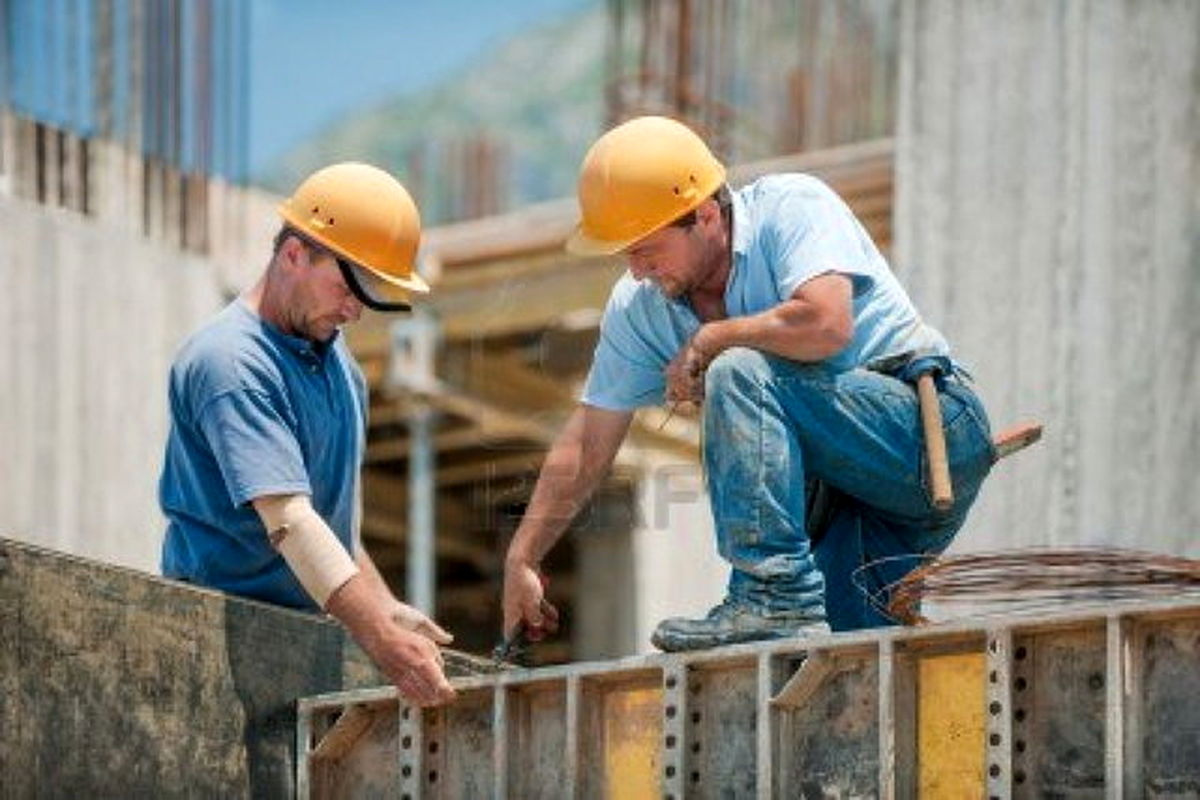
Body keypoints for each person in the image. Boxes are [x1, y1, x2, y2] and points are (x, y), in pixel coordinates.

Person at [502, 116, 995, 652]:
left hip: (927, 434)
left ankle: (772, 597)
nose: (639, 271)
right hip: (848, 504)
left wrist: (715, 337)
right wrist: (523, 555)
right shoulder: (640, 307)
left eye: (648, 250)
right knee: (843, 665)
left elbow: (828, 324)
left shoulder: (791, 209)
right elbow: (587, 441)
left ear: (706, 215)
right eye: (627, 255)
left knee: (738, 369)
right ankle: (780, 605)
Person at [159, 162, 456, 705]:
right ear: (294, 254)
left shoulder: (340, 367)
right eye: (348, 287)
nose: (354, 310)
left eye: (368, 296)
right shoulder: (231, 363)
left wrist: (386, 608)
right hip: (215, 644)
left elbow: (329, 529)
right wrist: (380, 640)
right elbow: (290, 522)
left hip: (299, 639)